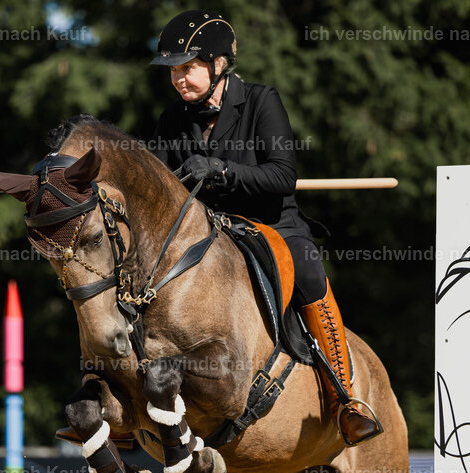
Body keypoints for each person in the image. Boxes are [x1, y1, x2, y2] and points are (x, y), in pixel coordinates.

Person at [149, 10, 381, 445]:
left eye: (188, 67)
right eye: (173, 71)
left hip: (271, 224)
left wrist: (219, 168)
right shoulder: (172, 118)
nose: (179, 79)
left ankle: (344, 400)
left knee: (310, 271)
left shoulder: (260, 100)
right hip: (209, 233)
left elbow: (281, 176)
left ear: (218, 64)